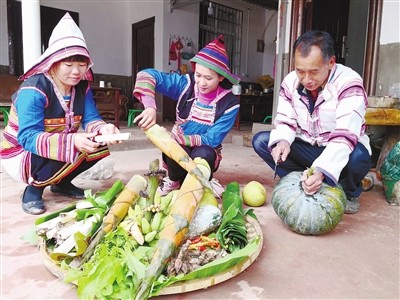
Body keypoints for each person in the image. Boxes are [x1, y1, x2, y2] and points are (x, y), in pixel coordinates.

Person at [0, 13, 120, 215]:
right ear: (54, 63)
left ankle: (62, 183)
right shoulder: (34, 89)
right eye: (69, 64)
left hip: (56, 143)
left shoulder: (82, 88)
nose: (76, 71)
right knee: (63, 145)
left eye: (82, 65)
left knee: (98, 141)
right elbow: (28, 138)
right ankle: (33, 190)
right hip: (22, 152)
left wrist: (104, 128)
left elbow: (92, 120)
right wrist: (72, 141)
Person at [252, 30, 372, 214]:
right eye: (300, 70)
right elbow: (285, 120)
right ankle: (305, 180)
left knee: (358, 157)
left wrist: (322, 169)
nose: (306, 79)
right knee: (262, 141)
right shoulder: (290, 81)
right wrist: (283, 141)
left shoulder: (349, 83)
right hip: (308, 145)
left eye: (314, 71)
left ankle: (347, 191)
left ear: (331, 62)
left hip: (341, 147)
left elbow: (345, 135)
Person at [132, 35, 240, 196]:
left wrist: (186, 139)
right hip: (177, 149)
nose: (201, 82)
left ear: (221, 77)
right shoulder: (185, 84)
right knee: (176, 150)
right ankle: (174, 180)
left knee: (204, 154)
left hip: (205, 149)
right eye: (198, 75)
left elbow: (213, 138)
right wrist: (150, 107)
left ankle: (207, 180)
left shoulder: (230, 102)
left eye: (208, 78)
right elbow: (146, 75)